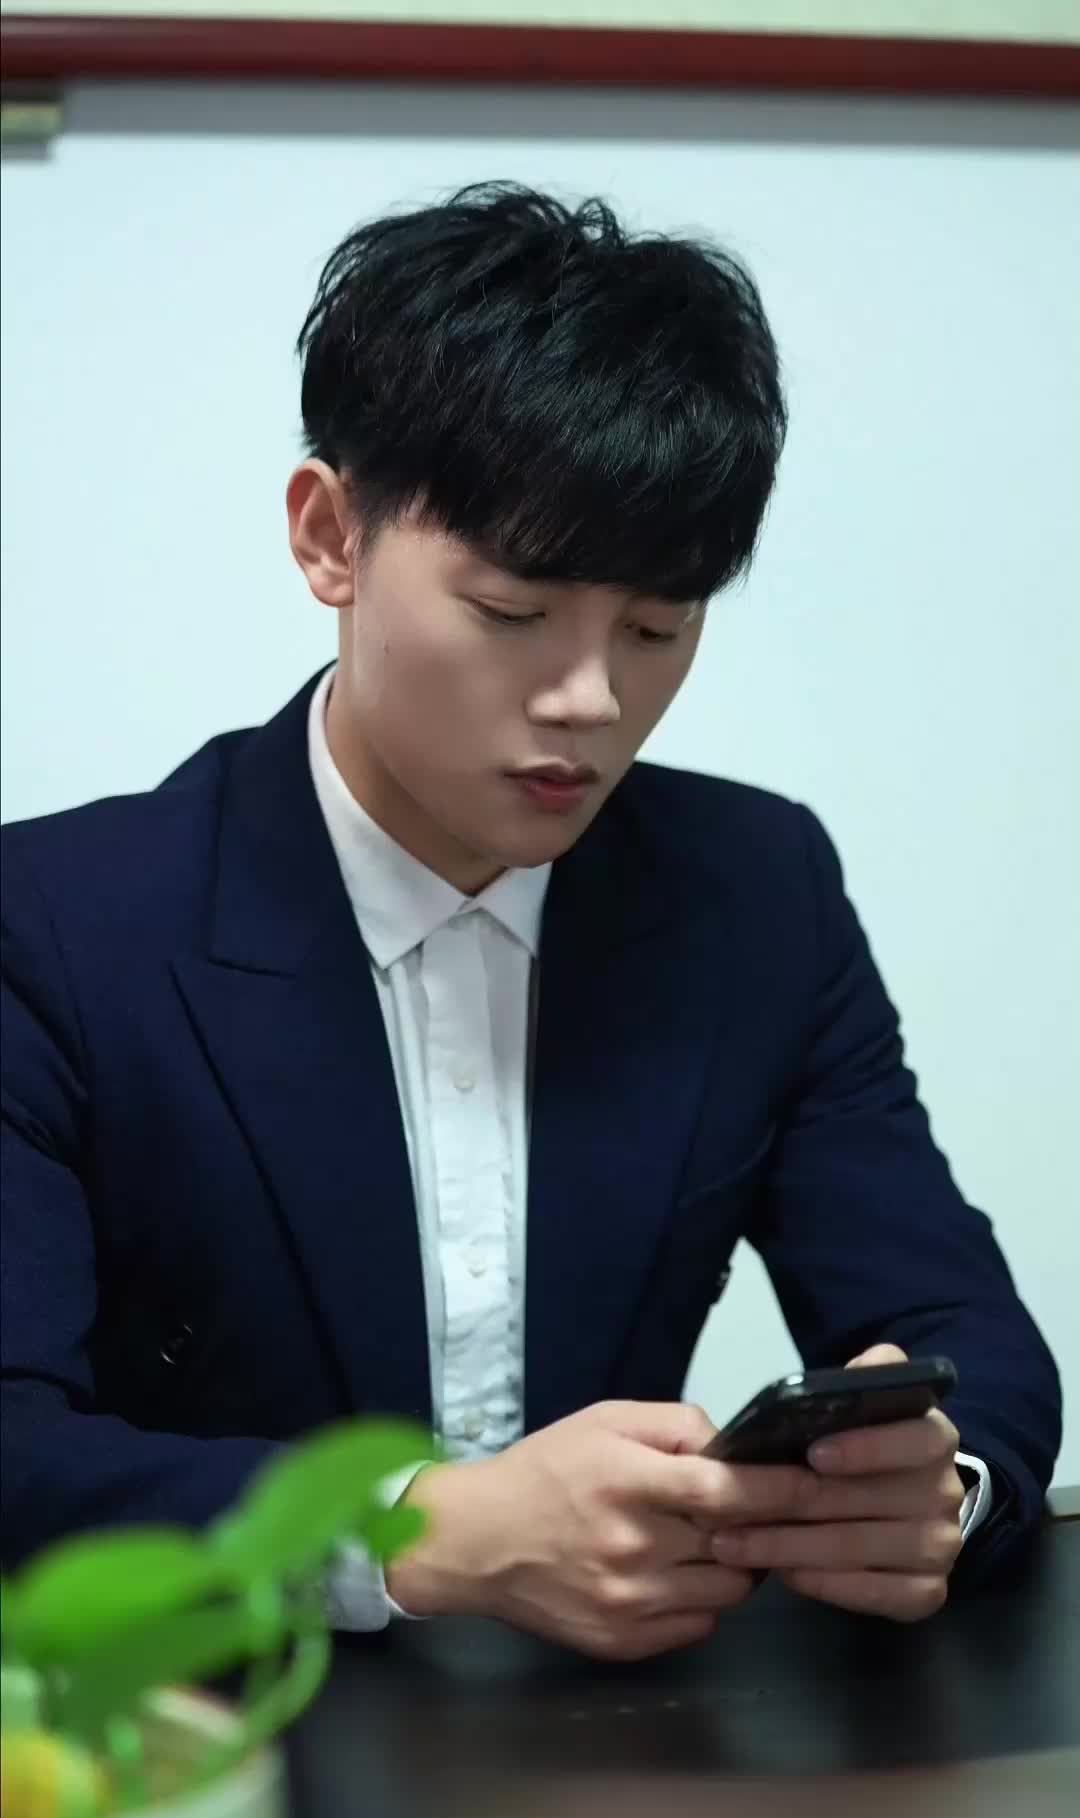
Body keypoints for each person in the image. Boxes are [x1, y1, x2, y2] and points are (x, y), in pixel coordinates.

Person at [1, 183, 1060, 1660]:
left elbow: (964, 1333)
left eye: (656, 627)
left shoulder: (755, 891)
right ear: (329, 537)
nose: (591, 698)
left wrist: (937, 1489)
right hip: (198, 1722)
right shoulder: (57, 926)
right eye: (512, 613)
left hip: (636, 1735)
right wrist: (418, 1534)